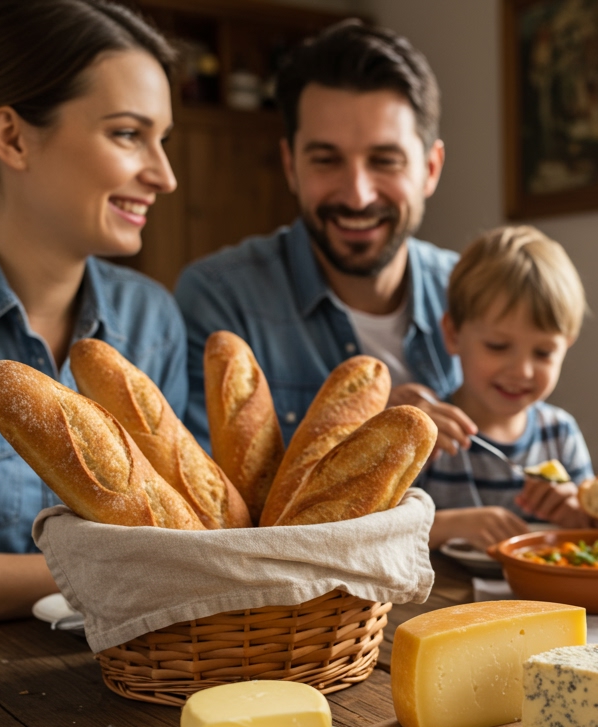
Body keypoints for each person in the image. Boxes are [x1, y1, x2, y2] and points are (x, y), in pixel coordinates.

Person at [0, 0, 184, 633]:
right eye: (128, 134)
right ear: (13, 137)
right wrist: (107, 568)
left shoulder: (151, 319)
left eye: (162, 139)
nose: (163, 175)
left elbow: (189, 533)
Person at [175, 20, 473, 452]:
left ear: (430, 168)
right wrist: (361, 431)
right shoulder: (220, 300)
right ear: (291, 166)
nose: (357, 195)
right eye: (326, 160)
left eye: (384, 160)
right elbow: (216, 509)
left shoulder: (470, 291)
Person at [421, 226, 593, 550]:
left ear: (566, 346)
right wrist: (450, 525)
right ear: (453, 335)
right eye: (498, 346)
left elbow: (589, 540)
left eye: (543, 353)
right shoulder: (432, 437)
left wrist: (576, 513)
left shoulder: (560, 434)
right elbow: (378, 536)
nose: (522, 371)